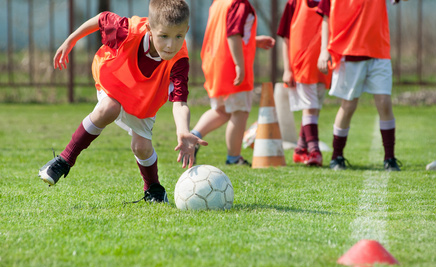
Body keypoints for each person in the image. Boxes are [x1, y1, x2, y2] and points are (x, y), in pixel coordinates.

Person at [38, 0, 207, 203]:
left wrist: (182, 130)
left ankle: (154, 188)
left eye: (179, 36)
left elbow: (180, 102)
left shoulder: (180, 59)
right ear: (149, 29)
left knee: (141, 147)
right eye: (164, 36)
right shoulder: (126, 31)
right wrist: (71, 41)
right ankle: (63, 161)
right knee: (109, 107)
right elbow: (100, 19)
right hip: (114, 81)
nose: (171, 44)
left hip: (144, 99)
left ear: (186, 30)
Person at [317, 0, 402, 171]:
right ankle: (337, 157)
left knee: (384, 103)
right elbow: (326, 16)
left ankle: (390, 158)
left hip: (379, 50)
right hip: (350, 51)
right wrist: (323, 50)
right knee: (348, 106)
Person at [190, 0, 275, 166]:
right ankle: (234, 158)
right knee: (240, 111)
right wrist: (239, 64)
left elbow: (225, 32)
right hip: (231, 66)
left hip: (214, 62)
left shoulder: (220, 2)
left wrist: (254, 41)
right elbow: (233, 34)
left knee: (221, 110)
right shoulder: (239, 4)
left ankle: (192, 137)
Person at [277, 0, 331, 167]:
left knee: (313, 109)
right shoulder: (293, 3)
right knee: (309, 107)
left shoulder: (329, 2)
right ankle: (315, 151)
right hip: (302, 64)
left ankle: (300, 150)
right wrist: (287, 69)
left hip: (323, 64)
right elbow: (285, 38)